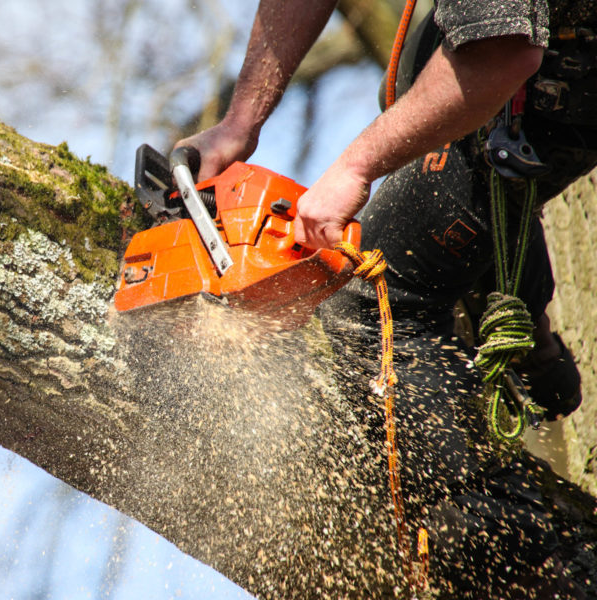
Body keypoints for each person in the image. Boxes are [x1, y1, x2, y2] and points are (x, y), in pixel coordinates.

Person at [176, 1, 596, 596]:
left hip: (566, 65)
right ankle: (524, 334)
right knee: (412, 77)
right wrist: (241, 120)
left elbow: (502, 51)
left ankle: (515, 555)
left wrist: (354, 167)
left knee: (374, 305)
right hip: (532, 52)